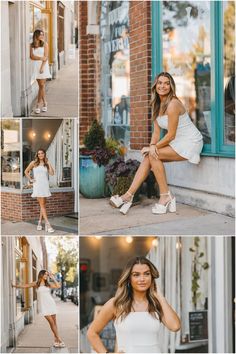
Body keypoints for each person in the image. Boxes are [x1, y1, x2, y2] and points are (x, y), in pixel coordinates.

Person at [110, 72, 203, 215]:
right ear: (155, 85)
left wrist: (152, 147)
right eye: (160, 83)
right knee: (150, 156)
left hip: (190, 141)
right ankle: (129, 196)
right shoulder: (156, 105)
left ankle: (163, 196)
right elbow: (156, 132)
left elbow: (170, 135)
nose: (163, 86)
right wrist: (152, 146)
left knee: (153, 155)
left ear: (171, 87)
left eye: (166, 83)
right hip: (177, 142)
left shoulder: (173, 104)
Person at [87, 256, 181, 353]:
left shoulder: (156, 304)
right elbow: (92, 333)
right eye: (136, 275)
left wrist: (160, 297)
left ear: (151, 277)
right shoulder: (116, 304)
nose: (142, 279)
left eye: (147, 274)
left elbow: (175, 326)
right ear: (129, 279)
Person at [12, 270, 65, 348]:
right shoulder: (36, 283)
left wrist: (52, 278)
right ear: (41, 275)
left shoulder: (48, 284)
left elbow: (58, 286)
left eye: (47, 275)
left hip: (51, 304)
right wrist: (15, 286)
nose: (46, 276)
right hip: (44, 306)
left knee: (54, 323)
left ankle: (56, 340)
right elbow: (26, 285)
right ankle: (59, 339)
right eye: (45, 275)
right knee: (51, 323)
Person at [25, 148, 55, 232]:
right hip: (37, 185)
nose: (40, 155)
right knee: (42, 205)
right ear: (37, 155)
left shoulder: (46, 164)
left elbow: (52, 173)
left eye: (42, 153)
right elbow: (26, 171)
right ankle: (48, 225)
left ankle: (39, 223)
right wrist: (31, 179)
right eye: (39, 154)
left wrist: (48, 163)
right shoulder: (33, 163)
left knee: (43, 205)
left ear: (44, 154)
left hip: (45, 186)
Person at [30, 29, 51, 114]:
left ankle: (38, 105)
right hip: (35, 66)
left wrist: (42, 67)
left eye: (43, 34)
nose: (42, 36)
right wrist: (39, 58)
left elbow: (45, 57)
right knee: (40, 86)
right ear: (36, 35)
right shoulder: (32, 45)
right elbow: (31, 56)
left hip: (43, 66)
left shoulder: (45, 44)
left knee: (42, 85)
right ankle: (45, 103)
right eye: (41, 34)